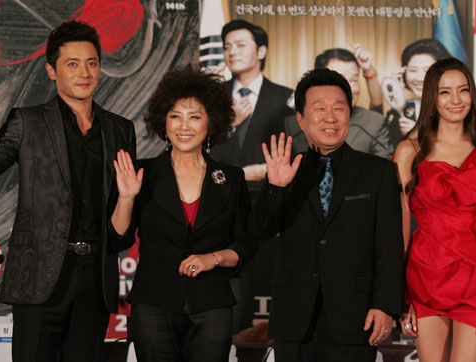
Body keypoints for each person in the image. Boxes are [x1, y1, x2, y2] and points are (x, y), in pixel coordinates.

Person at [0, 21, 136, 362]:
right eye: (72, 64)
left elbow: (119, 225)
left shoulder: (120, 129)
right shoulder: (27, 122)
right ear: (51, 71)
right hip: (39, 278)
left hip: (95, 281)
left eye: (91, 63)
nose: (84, 72)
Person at [251, 68, 403, 362]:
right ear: (301, 119)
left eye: (339, 108)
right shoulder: (285, 169)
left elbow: (390, 246)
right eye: (319, 109)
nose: (330, 118)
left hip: (355, 318)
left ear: (350, 115)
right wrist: (275, 189)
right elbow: (260, 231)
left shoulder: (378, 171)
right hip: (295, 319)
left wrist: (385, 305)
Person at [109, 65, 256, 362]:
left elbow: (245, 245)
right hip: (153, 303)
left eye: (195, 117)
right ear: (164, 122)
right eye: (175, 116)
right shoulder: (142, 173)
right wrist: (126, 198)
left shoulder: (230, 178)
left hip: (211, 305)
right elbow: (118, 238)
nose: (184, 126)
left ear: (211, 123)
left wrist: (212, 259)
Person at [394, 57, 476, 361]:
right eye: (445, 92)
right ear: (432, 98)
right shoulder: (410, 152)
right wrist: (402, 297)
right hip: (427, 277)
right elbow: (401, 230)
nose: (456, 100)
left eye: (463, 90)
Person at [211, 19, 295, 333]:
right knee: (232, 305)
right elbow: (198, 154)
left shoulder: (285, 97)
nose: (232, 52)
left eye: (240, 45)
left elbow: (295, 150)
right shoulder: (213, 99)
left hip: (269, 210)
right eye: (227, 46)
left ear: (261, 50)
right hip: (223, 208)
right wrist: (229, 125)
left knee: (275, 300)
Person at [286, 47, 394, 159]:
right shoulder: (292, 124)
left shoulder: (374, 123)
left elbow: (385, 171)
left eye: (354, 80)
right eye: (338, 80)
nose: (349, 88)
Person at [385, 38, 450, 145]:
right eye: (413, 70)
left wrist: (421, 135)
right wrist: (397, 93)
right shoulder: (403, 109)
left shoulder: (455, 106)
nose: (420, 78)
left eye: (427, 70)